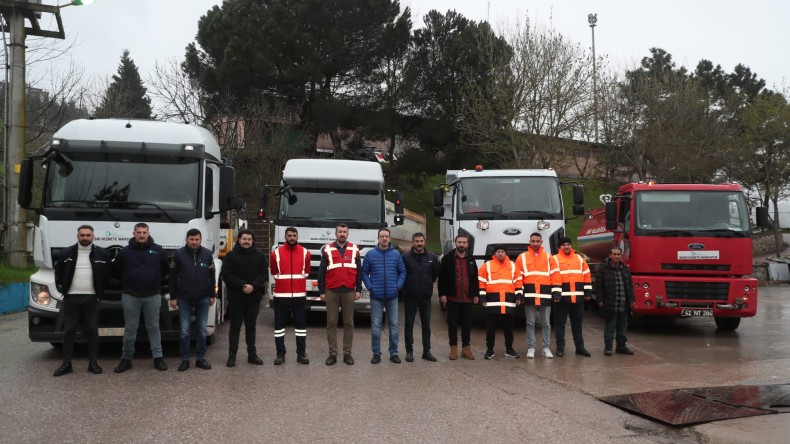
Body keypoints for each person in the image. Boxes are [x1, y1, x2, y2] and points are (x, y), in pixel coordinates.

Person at [52, 225, 111, 376]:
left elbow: (108, 275)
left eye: (88, 235)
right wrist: (63, 289)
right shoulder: (66, 252)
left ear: (93, 236)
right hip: (71, 297)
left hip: (92, 297)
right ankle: (66, 364)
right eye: (82, 235)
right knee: (69, 331)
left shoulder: (103, 254)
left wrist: (99, 291)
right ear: (77, 236)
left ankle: (93, 363)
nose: (85, 238)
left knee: (92, 330)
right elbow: (58, 274)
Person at [113, 223, 171, 373]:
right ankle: (126, 360)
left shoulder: (158, 250)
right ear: (134, 233)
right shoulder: (125, 252)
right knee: (130, 328)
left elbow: (165, 269)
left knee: (153, 327)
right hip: (130, 295)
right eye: (138, 232)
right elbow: (116, 271)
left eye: (144, 232)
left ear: (148, 233)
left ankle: (158, 358)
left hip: (153, 295)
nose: (141, 235)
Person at [169, 228, 216, 371]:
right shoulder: (178, 255)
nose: (194, 242)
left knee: (202, 330)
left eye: (197, 239)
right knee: (184, 330)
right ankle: (185, 359)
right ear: (186, 239)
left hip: (203, 298)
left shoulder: (208, 254)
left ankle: (200, 358)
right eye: (191, 239)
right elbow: (172, 277)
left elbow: (212, 276)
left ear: (201, 240)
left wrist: (212, 295)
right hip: (184, 298)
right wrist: (173, 297)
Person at [221, 228, 267, 367]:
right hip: (236, 299)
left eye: (249, 239)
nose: (246, 242)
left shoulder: (259, 256)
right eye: (244, 239)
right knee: (235, 328)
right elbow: (226, 274)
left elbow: (263, 274)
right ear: (239, 240)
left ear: (252, 241)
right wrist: (242, 286)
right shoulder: (230, 256)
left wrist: (253, 286)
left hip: (253, 298)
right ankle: (232, 356)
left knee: (251, 327)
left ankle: (252, 355)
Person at [318, 224, 363, 366]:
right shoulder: (327, 249)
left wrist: (358, 289)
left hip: (349, 291)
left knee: (349, 323)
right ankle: (332, 354)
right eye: (340, 232)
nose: (342, 234)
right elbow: (321, 272)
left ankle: (347, 354)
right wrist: (321, 291)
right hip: (331, 291)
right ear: (335, 234)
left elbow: (359, 271)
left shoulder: (355, 249)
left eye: (344, 232)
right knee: (331, 323)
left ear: (347, 234)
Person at [362, 228, 406, 364]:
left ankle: (394, 353)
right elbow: (364, 273)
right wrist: (370, 287)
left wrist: (397, 286)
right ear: (378, 238)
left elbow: (402, 272)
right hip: (376, 296)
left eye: (386, 236)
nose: (384, 239)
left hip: (392, 296)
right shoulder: (370, 255)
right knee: (375, 326)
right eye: (382, 236)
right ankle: (376, 353)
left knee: (394, 325)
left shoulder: (396, 255)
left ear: (390, 238)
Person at [515, 232, 560, 359]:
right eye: (533, 241)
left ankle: (546, 348)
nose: (535, 243)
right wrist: (519, 294)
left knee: (546, 323)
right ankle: (531, 348)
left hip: (545, 295)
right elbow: (518, 278)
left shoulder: (549, 257)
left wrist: (556, 292)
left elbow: (555, 275)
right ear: (529, 242)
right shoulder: (522, 257)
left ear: (541, 242)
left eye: (537, 241)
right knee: (530, 322)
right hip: (529, 295)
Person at [270, 227, 311, 365]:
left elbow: (307, 272)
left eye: (294, 235)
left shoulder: (305, 252)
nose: (292, 238)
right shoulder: (276, 253)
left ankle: (301, 354)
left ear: (297, 237)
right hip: (281, 295)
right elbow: (274, 272)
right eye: (289, 235)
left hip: (299, 295)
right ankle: (280, 354)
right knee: (279, 327)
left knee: (300, 327)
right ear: (285, 237)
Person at [437, 234, 479, 360]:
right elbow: (442, 278)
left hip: (467, 298)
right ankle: (453, 348)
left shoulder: (471, 259)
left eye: (464, 242)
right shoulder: (448, 258)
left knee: (467, 324)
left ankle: (466, 349)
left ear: (468, 244)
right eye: (459, 242)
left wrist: (476, 293)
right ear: (456, 243)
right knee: (452, 323)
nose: (462, 244)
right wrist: (442, 294)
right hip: (452, 297)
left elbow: (474, 278)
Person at [401, 232, 440, 362]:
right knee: (409, 324)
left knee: (426, 325)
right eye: (416, 241)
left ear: (425, 242)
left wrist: (427, 284)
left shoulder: (432, 257)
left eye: (421, 241)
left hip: (425, 296)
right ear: (413, 242)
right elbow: (402, 274)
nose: (419, 243)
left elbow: (435, 274)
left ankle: (426, 351)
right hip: (410, 296)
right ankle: (409, 351)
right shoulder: (405, 257)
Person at [478, 245, 522, 360]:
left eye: (502, 251)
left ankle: (509, 349)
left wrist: (518, 296)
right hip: (492, 303)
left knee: (509, 329)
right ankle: (490, 350)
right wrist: (482, 299)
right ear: (494, 254)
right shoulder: (486, 266)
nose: (500, 254)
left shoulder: (513, 266)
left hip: (508, 303)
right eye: (498, 251)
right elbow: (482, 284)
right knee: (490, 329)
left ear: (506, 253)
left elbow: (518, 282)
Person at [552, 236, 593, 358]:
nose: (566, 246)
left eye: (568, 244)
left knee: (577, 324)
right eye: (563, 244)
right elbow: (553, 278)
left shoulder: (580, 259)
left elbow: (587, 276)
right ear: (560, 247)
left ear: (571, 246)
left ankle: (580, 348)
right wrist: (556, 294)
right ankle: (560, 349)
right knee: (560, 324)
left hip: (578, 299)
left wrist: (588, 293)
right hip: (561, 299)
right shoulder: (554, 259)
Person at [594, 247, 636, 356]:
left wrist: (632, 299)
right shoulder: (603, 269)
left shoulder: (625, 269)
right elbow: (598, 286)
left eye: (618, 254)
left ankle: (621, 346)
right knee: (610, 327)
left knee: (622, 327)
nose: (616, 256)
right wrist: (600, 300)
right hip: (610, 304)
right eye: (614, 254)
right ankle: (608, 347)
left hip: (624, 304)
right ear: (610, 255)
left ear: (621, 256)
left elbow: (630, 286)